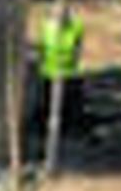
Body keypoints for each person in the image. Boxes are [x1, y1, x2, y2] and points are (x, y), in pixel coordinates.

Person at [34, 8, 85, 141]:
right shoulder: (47, 28)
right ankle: (51, 130)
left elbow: (77, 49)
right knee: (50, 105)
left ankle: (69, 130)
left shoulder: (76, 27)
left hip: (69, 73)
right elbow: (41, 49)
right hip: (51, 73)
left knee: (70, 105)